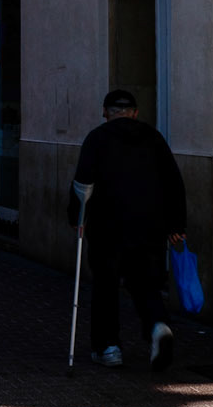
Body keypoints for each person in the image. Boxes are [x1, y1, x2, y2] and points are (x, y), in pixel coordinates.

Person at [70, 88, 186, 371]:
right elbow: (173, 181)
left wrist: (77, 217)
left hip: (107, 226)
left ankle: (108, 347)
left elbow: (83, 184)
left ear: (105, 112)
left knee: (106, 284)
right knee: (146, 282)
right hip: (150, 225)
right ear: (135, 113)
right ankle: (158, 326)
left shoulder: (97, 138)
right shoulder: (153, 138)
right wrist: (176, 224)